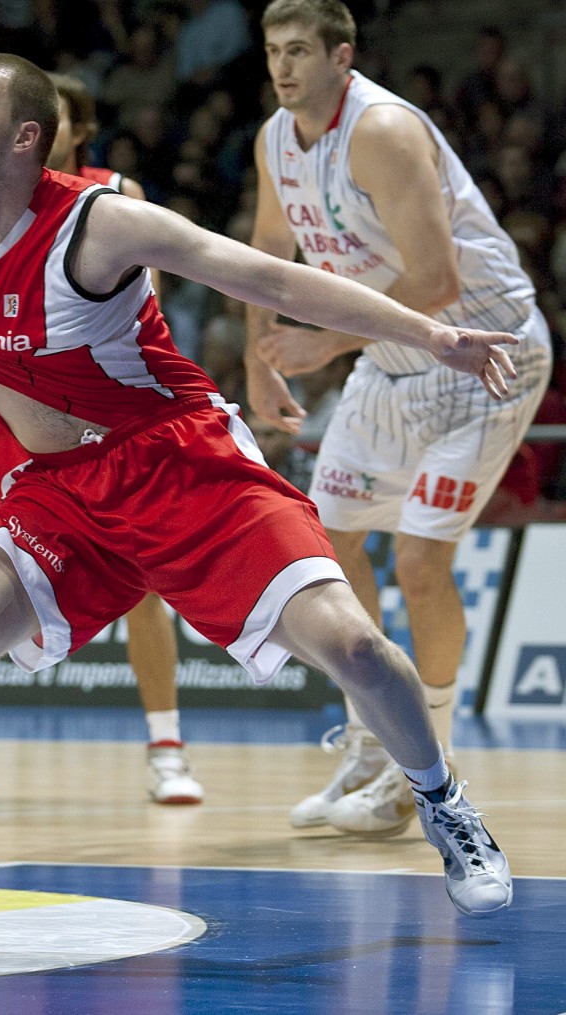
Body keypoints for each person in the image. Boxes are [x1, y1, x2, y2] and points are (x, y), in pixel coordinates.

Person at [0, 53, 518, 964]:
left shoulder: (98, 223)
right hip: (59, 495)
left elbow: (267, 278)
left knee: (355, 646)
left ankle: (445, 802)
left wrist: (433, 333)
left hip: (181, 464)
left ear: (25, 136)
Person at [245, 0, 551, 837]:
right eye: (273, 50)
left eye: (300, 49)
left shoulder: (381, 129)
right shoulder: (276, 137)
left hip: (481, 354)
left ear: (343, 55)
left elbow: (438, 283)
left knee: (419, 561)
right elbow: (266, 258)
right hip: (388, 360)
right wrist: (258, 357)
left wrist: (327, 344)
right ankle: (379, 744)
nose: (284, 66)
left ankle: (431, 770)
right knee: (326, 551)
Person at [0, 70, 205, 809]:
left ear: (72, 131)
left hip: (105, 419)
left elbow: (147, 308)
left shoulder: (112, 198)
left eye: (66, 121)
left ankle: (167, 745)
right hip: (16, 424)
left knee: (145, 583)